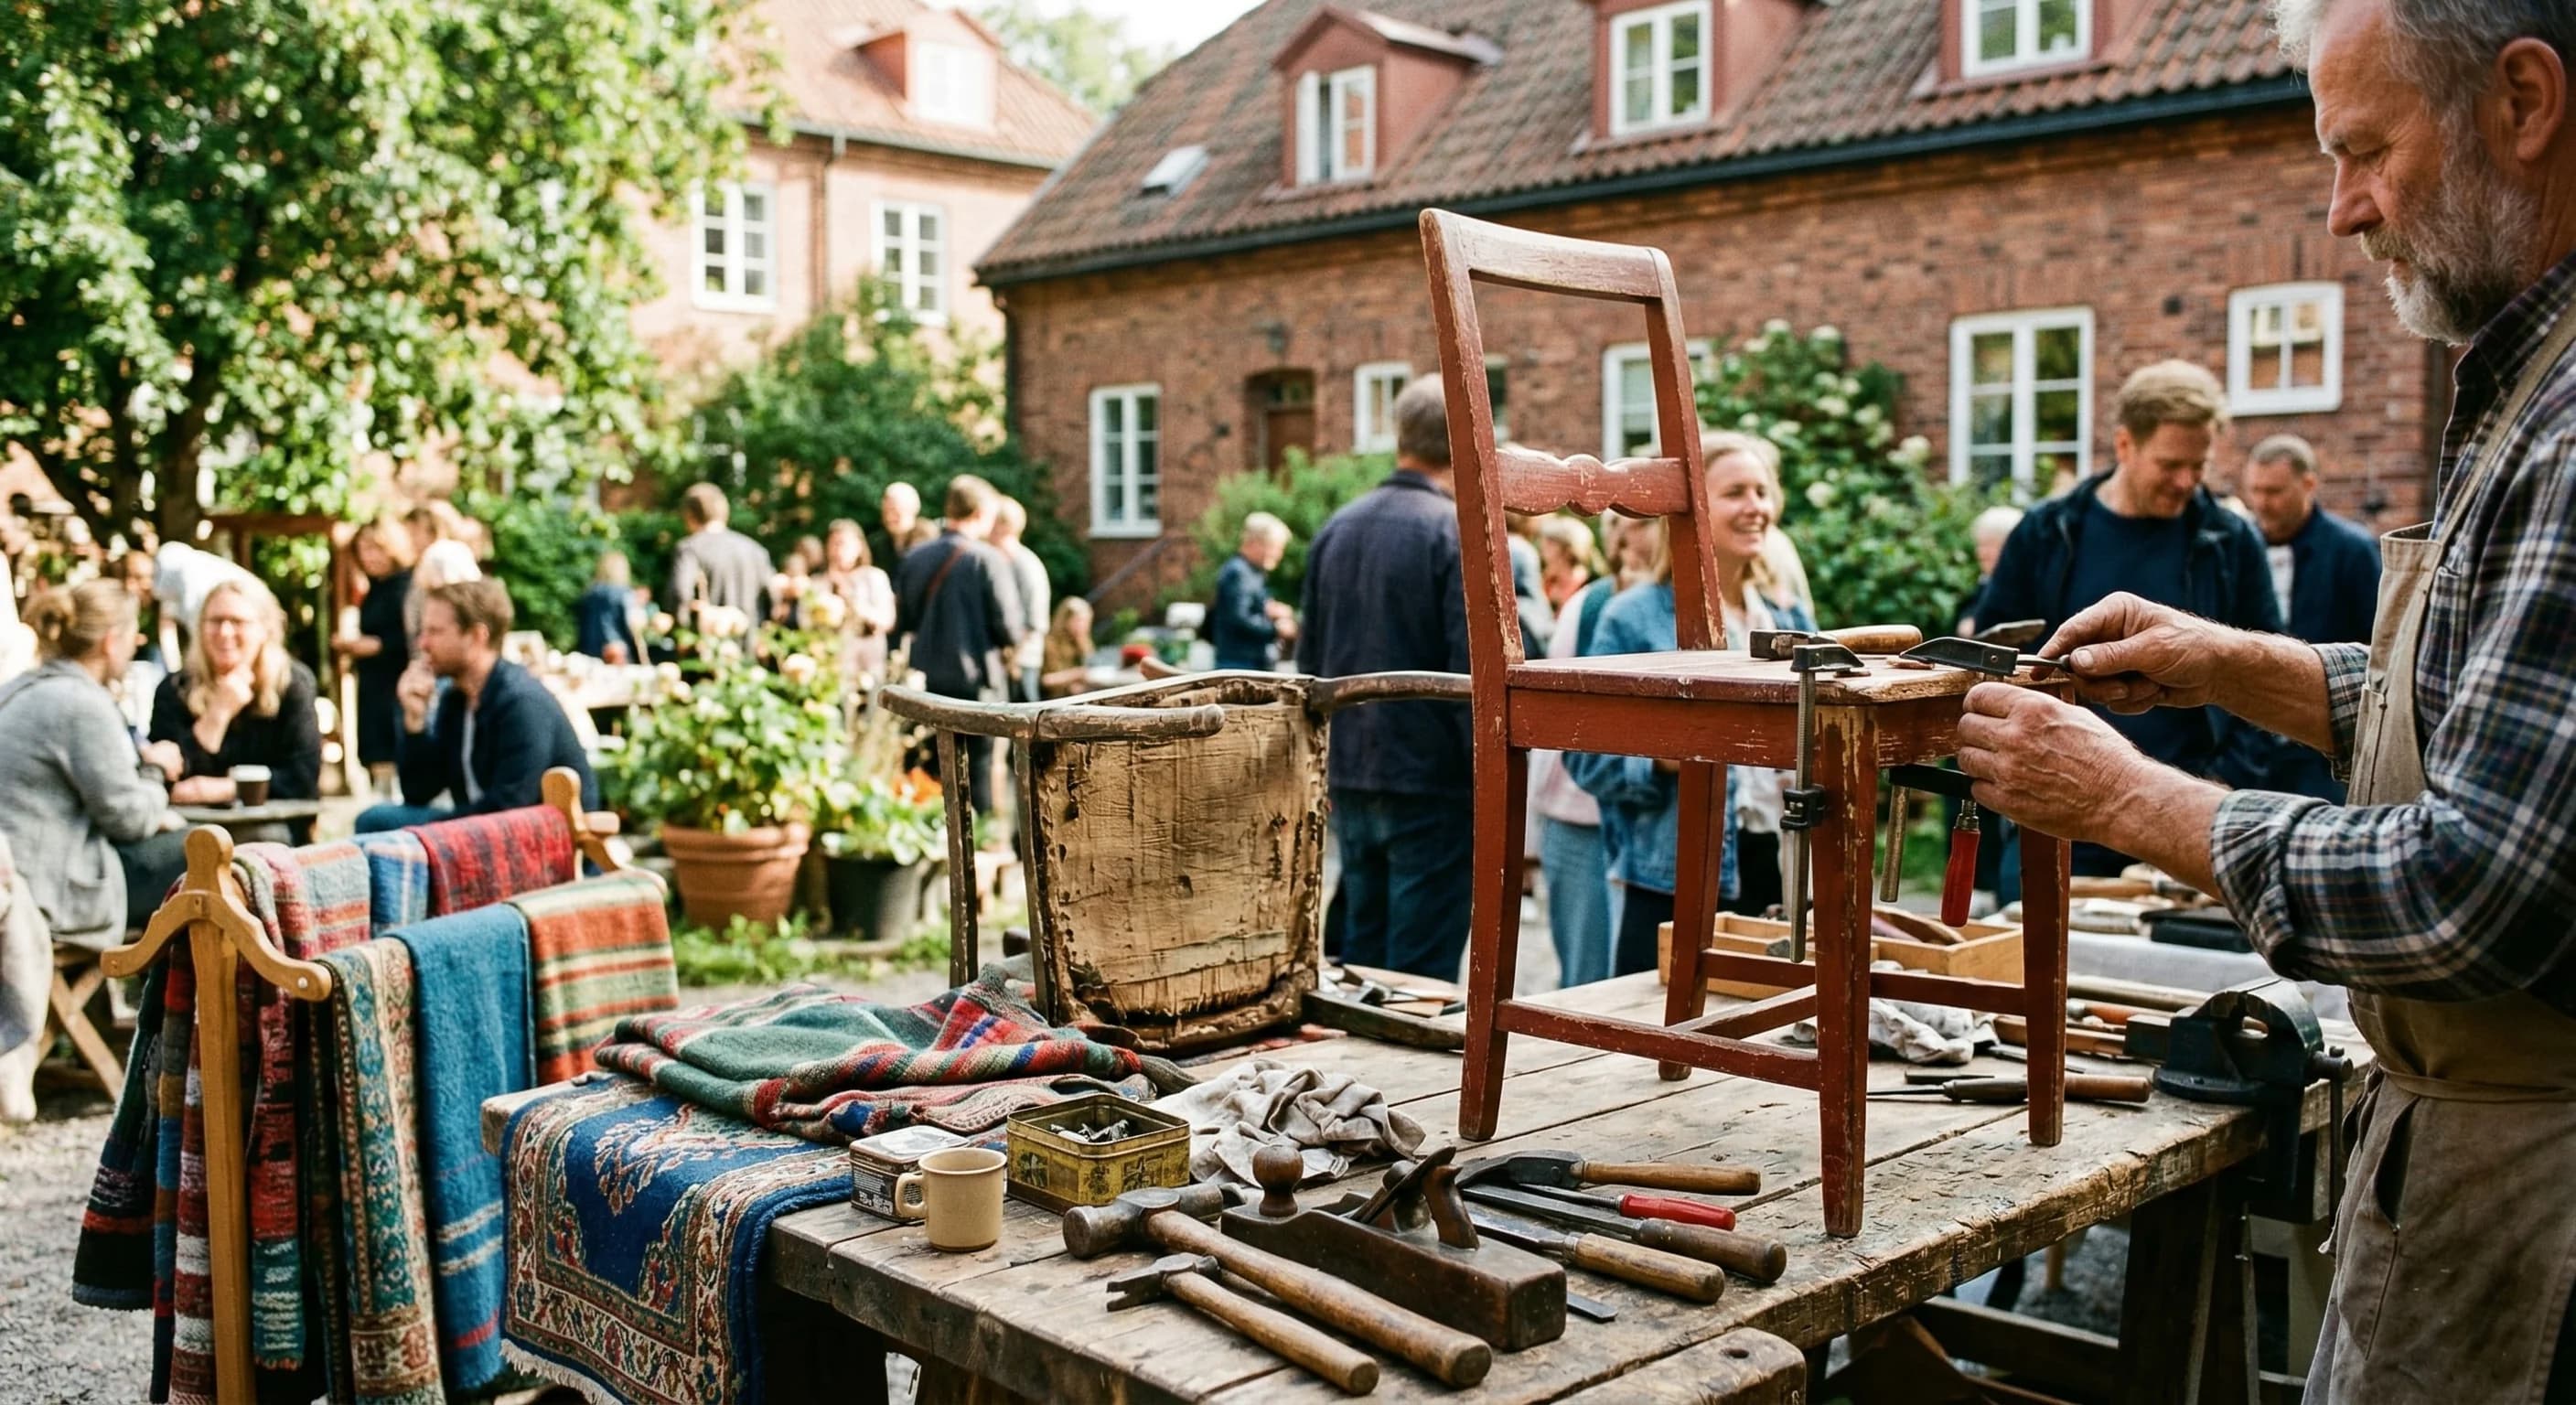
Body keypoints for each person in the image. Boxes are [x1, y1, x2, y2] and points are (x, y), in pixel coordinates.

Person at [1959, 2, 2576, 1397]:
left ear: (2523, 103)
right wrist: (2235, 660)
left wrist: (2127, 799)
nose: (2343, 209)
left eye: (2366, 150)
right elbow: (2470, 714)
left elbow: (2476, 885)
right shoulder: (2531, 382)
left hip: (2538, 1198)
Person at [1972, 359, 2282, 881]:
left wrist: (2226, 785)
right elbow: (1993, 659)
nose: (2186, 481)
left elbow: (2266, 668)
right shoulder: (2047, 533)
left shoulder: (2231, 542)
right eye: (2170, 464)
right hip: (2057, 808)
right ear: (2124, 445)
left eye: (2199, 465)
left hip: (2187, 813)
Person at [1569, 436, 1811, 976]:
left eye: (1762, 491)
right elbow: (1583, 755)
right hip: (1674, 876)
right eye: (1735, 493)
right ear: (1691, 510)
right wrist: (1667, 758)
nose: (1756, 507)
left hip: (1777, 868)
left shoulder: (1786, 618)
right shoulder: (1632, 617)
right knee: (1656, 1024)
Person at [1297, 375, 1474, 979]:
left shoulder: (1338, 527)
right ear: (1466, 440)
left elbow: (1308, 664)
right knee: (1417, 974)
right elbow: (1468, 674)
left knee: (1360, 959)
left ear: (1401, 436)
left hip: (1351, 770)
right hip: (1431, 779)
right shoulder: (1453, 532)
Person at [0, 582, 187, 946]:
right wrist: (157, 772)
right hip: (45, 894)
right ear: (111, 641)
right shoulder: (81, 702)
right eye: (133, 634)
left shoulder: (18, 688)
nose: (136, 644)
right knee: (207, 853)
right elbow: (128, 819)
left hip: (17, 875)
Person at [361, 578, 596, 829]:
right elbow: (418, 792)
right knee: (379, 820)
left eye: (435, 632)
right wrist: (415, 720)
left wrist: (433, 833)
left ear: (476, 636)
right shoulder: (457, 699)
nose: (423, 643)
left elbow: (510, 807)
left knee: (377, 824)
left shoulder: (521, 703)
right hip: (481, 830)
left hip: (537, 840)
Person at [2236, 434, 2385, 800]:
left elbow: (2381, 646)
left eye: (2274, 492)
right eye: (2255, 491)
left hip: (2324, 753)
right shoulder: (2237, 545)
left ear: (2308, 485)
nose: (2262, 504)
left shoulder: (2353, 550)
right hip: (2250, 750)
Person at [892, 476, 1024, 814]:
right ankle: (976, 839)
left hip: (924, 681)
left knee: (926, 774)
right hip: (974, 684)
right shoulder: (987, 560)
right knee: (977, 776)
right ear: (979, 513)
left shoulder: (914, 557)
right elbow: (1010, 630)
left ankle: (932, 840)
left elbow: (903, 621)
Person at [147, 577, 321, 808]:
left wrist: (226, 788)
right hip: (194, 821)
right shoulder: (175, 688)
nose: (224, 632)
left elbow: (303, 779)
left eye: (237, 621)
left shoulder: (292, 683)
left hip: (275, 822)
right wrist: (217, 715)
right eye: (215, 621)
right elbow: (161, 780)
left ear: (264, 629)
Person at [335, 517, 415, 797]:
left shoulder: (406, 587)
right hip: (373, 688)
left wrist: (377, 646)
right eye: (363, 550)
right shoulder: (375, 588)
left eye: (375, 548)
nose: (369, 557)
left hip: (396, 686)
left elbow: (410, 639)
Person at [665, 482, 774, 629]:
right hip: (748, 638)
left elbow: (681, 594)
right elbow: (772, 596)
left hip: (705, 640)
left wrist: (682, 624)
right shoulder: (756, 550)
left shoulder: (690, 549)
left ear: (689, 515)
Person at [1210, 512, 1294, 671]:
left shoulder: (1252, 572)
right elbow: (1240, 619)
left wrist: (1270, 609)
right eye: (1275, 547)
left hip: (1250, 661)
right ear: (1255, 543)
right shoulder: (1238, 572)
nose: (1278, 555)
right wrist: (1277, 629)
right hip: (1239, 663)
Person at [821, 519, 897, 684]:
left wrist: (850, 599)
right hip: (831, 665)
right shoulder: (820, 582)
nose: (837, 550)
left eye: (842, 544)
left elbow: (887, 620)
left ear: (859, 546)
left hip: (868, 664)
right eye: (833, 544)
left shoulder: (874, 577)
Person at [990, 499, 1052, 701]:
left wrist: (1013, 660)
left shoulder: (1025, 565)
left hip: (1021, 661)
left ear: (1003, 526)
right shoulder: (1000, 561)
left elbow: (1034, 621)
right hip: (1006, 660)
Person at [1955, 505, 2026, 636]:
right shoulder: (1986, 580)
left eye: (1989, 546)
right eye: (1980, 545)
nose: (1982, 553)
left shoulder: (2022, 588)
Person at [576, 550, 645, 665]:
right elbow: (632, 624)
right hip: (616, 651)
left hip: (589, 649)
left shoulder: (589, 593)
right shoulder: (624, 593)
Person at [1535, 515, 1601, 612]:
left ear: (1568, 551)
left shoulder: (1593, 587)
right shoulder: (1545, 585)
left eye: (1550, 544)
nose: (1542, 552)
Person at [1041, 597, 1098, 698]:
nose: (1083, 626)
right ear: (1065, 620)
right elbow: (1046, 681)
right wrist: (1076, 674)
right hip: (1054, 698)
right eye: (1078, 621)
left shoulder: (1082, 641)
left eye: (1086, 622)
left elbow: (1090, 667)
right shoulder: (1051, 643)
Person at [882, 481, 940, 563]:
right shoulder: (878, 545)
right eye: (885, 512)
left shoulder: (928, 538)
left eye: (895, 511)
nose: (889, 517)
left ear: (912, 509)